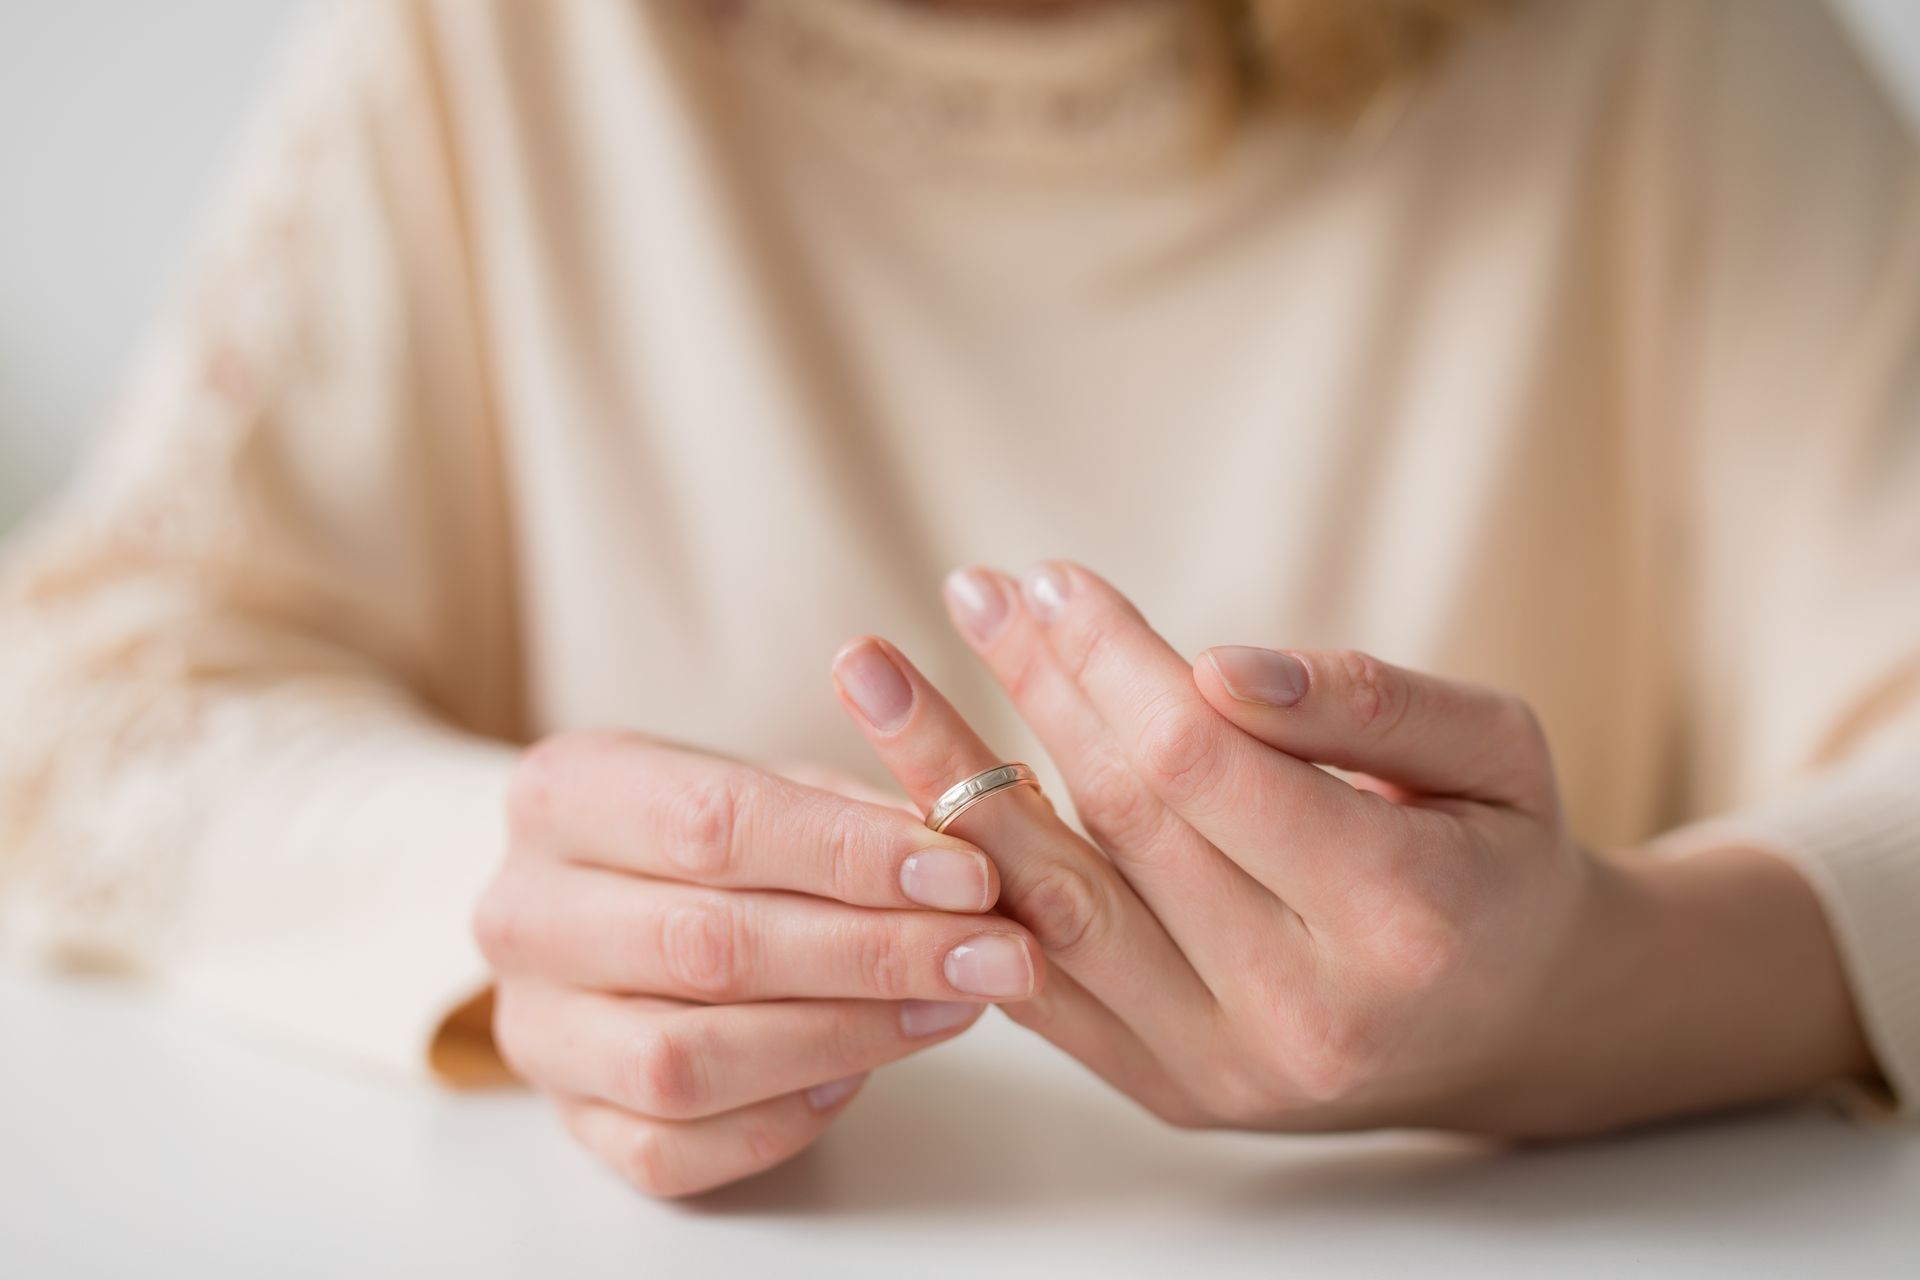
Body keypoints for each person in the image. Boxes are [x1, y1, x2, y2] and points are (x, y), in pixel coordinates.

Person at [1, 0, 1915, 1199]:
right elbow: (86, 701)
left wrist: (1615, 980)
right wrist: (519, 908)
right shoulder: (484, 53)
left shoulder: (1672, 49)